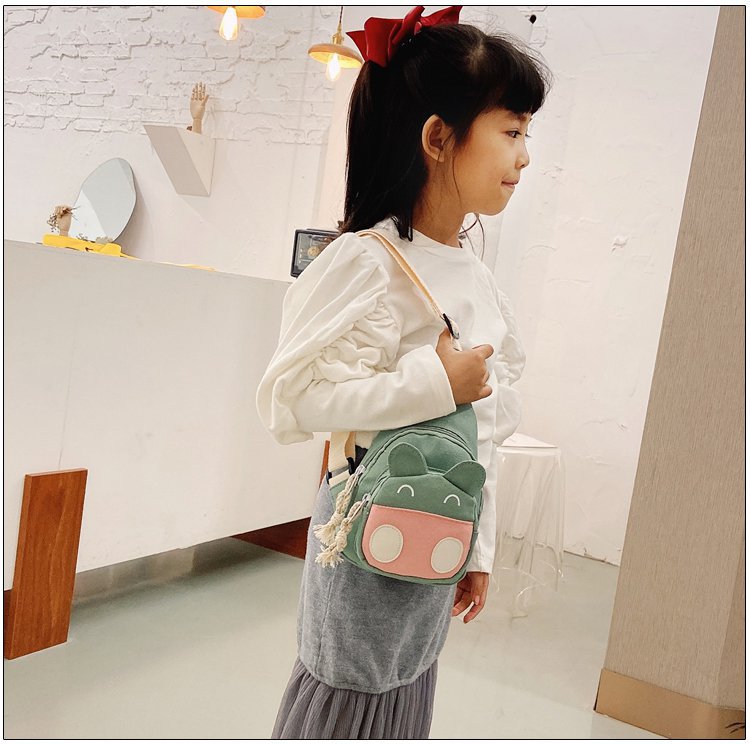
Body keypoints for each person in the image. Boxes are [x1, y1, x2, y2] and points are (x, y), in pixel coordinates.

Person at [255, 5, 552, 739]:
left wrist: (478, 546)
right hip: (361, 543)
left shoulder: (477, 278)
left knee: (406, 689)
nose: (524, 156)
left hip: (436, 536)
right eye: (512, 131)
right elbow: (292, 400)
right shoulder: (365, 261)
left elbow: (478, 437)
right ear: (439, 138)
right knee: (350, 692)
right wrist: (434, 385)